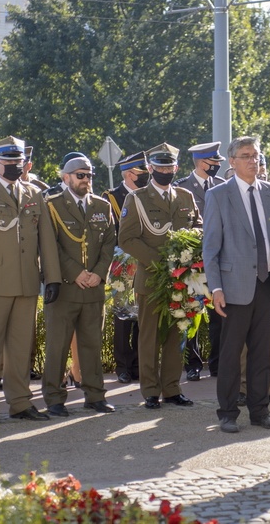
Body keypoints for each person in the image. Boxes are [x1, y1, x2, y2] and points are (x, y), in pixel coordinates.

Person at [0, 136, 62, 425]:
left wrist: (52, 277)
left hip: (26, 282)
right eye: (8, 163)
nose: (15, 167)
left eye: (18, 163)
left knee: (21, 348)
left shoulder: (33, 193)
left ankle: (20, 403)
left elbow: (46, 240)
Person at [203, 136, 270, 433]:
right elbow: (211, 247)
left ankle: (260, 411)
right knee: (230, 354)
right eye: (246, 155)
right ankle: (227, 412)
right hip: (234, 287)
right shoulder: (218, 195)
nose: (253, 160)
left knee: (262, 352)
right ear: (233, 161)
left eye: (256, 155)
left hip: (267, 284)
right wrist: (215, 288)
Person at [118, 143, 200, 410]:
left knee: (178, 334)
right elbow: (127, 238)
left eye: (170, 166)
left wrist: (190, 259)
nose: (165, 171)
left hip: (182, 280)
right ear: (150, 168)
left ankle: (172, 389)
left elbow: (199, 228)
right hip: (152, 279)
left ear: (176, 168)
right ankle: (151, 390)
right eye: (160, 166)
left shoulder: (185, 197)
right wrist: (163, 263)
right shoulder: (137, 199)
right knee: (150, 337)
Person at [42, 155, 116, 417]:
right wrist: (77, 273)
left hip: (93, 288)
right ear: (66, 178)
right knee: (58, 346)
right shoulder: (51, 205)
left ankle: (95, 395)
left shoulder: (101, 206)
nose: (87, 180)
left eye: (90, 175)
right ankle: (54, 398)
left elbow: (109, 244)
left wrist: (98, 274)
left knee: (92, 344)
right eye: (80, 175)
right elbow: (51, 246)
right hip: (65, 287)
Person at [175, 142, 226, 381]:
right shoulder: (182, 189)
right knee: (192, 314)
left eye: (217, 164)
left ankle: (217, 364)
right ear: (201, 163)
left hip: (219, 260)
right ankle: (192, 365)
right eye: (212, 163)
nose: (215, 167)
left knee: (219, 314)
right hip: (192, 263)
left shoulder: (223, 186)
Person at [103, 151, 148, 384]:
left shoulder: (148, 195)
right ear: (130, 174)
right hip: (121, 267)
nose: (147, 175)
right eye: (143, 172)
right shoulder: (111, 198)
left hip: (145, 264)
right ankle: (123, 366)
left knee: (143, 316)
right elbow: (108, 234)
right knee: (122, 318)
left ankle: (140, 365)